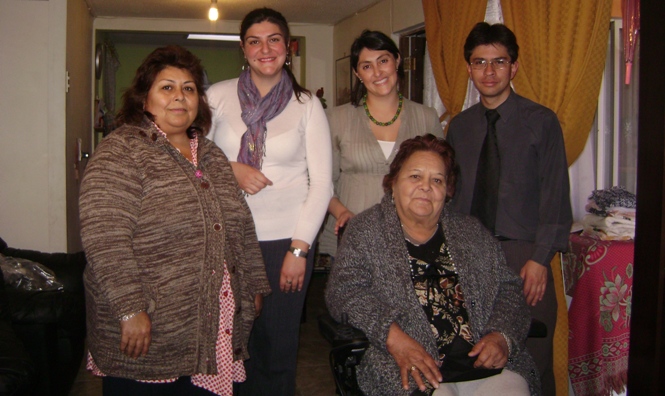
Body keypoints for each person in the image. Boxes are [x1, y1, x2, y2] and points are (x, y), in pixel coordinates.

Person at [79, 45, 271, 396]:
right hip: (150, 324)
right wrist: (129, 308)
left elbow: (241, 226)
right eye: (166, 87)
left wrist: (254, 283)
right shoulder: (121, 151)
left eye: (189, 88)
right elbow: (105, 239)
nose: (179, 97)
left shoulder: (212, 155)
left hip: (212, 324)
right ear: (144, 99)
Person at [326, 134, 540, 396]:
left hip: (486, 368)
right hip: (406, 366)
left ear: (447, 191)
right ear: (393, 183)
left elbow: (509, 289)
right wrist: (394, 339)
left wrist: (502, 337)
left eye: (436, 180)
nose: (425, 187)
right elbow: (344, 291)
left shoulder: (471, 232)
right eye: (415, 176)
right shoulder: (366, 231)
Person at [206, 8, 333, 395]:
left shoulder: (307, 104)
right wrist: (232, 168)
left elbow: (322, 183)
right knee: (231, 348)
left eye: (274, 39)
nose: (265, 49)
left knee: (277, 348)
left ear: (287, 47)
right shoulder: (216, 96)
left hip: (285, 243)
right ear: (243, 49)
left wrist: (300, 248)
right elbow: (192, 161)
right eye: (254, 41)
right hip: (228, 239)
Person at [445, 22, 572, 396]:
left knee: (533, 359)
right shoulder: (460, 127)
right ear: (469, 68)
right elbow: (451, 199)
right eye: (479, 62)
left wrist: (540, 258)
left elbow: (556, 196)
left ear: (513, 67)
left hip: (525, 258)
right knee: (476, 358)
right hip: (470, 256)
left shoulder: (542, 122)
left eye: (498, 62)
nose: (489, 72)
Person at [320, 30, 443, 256]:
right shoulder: (336, 119)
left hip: (412, 233)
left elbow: (440, 180)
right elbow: (321, 181)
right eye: (367, 66)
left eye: (383, 61)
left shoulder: (426, 117)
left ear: (396, 60)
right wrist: (342, 213)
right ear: (358, 73)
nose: (377, 72)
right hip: (353, 232)